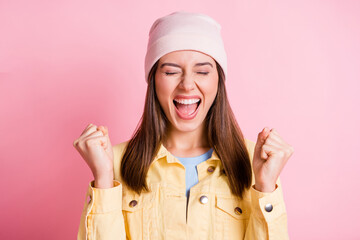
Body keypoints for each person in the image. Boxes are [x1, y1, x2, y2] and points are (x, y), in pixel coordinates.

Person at [73, 11, 294, 240]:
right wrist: (104, 179)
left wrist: (266, 187)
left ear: (218, 80)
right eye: (171, 71)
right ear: (153, 80)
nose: (187, 84)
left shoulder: (255, 163)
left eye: (202, 71)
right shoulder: (114, 163)